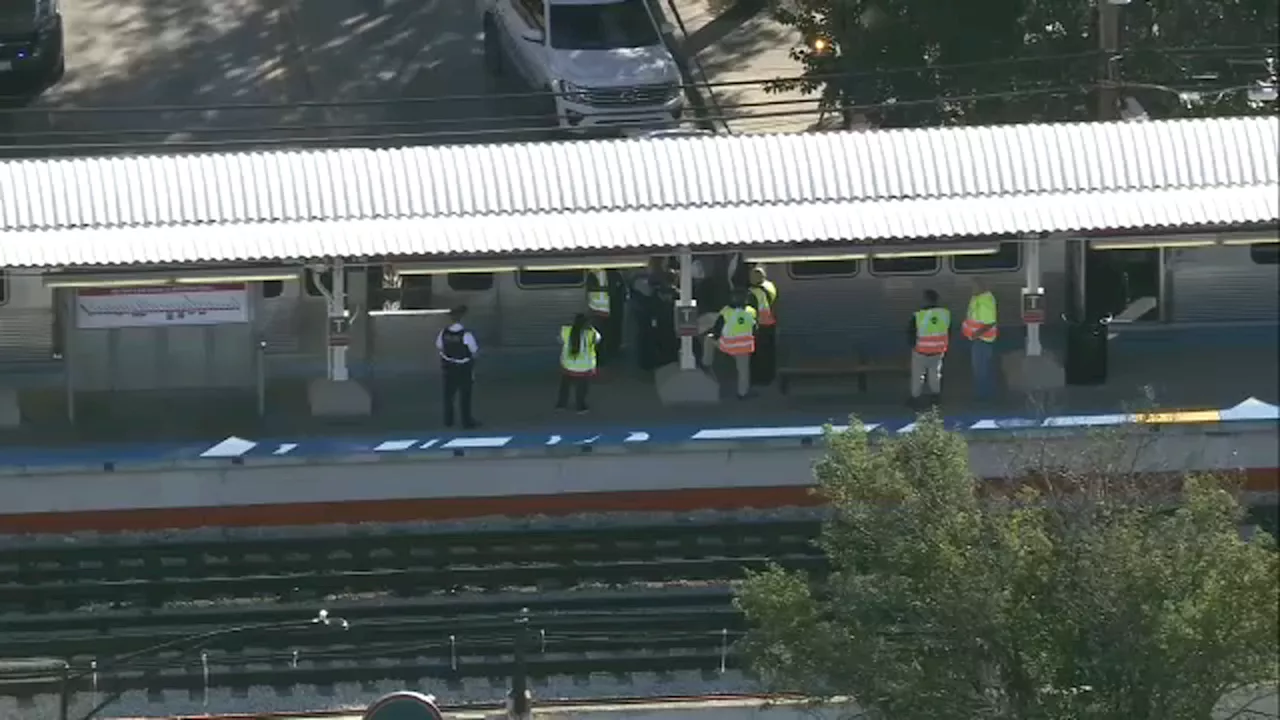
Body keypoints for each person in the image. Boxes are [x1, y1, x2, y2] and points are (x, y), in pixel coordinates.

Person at [702, 290, 758, 400]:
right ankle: (742, 393)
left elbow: (718, 328)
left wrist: (716, 336)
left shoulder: (726, 311)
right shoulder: (752, 311)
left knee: (708, 339)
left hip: (727, 345)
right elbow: (755, 328)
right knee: (743, 371)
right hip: (744, 347)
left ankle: (706, 363)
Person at [435, 305, 480, 428]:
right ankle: (467, 421)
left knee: (448, 395)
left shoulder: (443, 332)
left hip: (448, 367)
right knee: (465, 395)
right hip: (464, 367)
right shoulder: (466, 334)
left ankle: (448, 421)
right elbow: (474, 350)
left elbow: (439, 346)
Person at [906, 289, 951, 407]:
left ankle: (915, 399)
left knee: (918, 375)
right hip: (938, 350)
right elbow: (948, 330)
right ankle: (935, 397)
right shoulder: (945, 314)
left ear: (925, 299)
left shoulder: (918, 315)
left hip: (921, 351)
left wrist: (913, 346)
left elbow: (911, 333)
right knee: (935, 374)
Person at [556, 313, 602, 413]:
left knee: (565, 385)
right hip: (585, 367)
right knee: (582, 387)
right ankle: (580, 406)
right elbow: (598, 339)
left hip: (568, 365)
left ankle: (561, 404)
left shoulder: (566, 331)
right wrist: (592, 328)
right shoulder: (591, 334)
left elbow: (559, 340)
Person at [962, 278, 999, 399]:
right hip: (977, 339)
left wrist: (975, 334)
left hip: (983, 340)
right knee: (979, 369)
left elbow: (990, 323)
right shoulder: (977, 298)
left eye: (974, 286)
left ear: (981, 286)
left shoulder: (985, 300)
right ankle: (982, 394)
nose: (972, 289)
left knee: (982, 370)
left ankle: (984, 396)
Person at [746, 266, 779, 386]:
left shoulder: (753, 292)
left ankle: (759, 380)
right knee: (769, 353)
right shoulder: (770, 286)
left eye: (752, 276)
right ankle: (769, 377)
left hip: (759, 327)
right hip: (771, 324)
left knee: (757, 355)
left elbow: (751, 311)